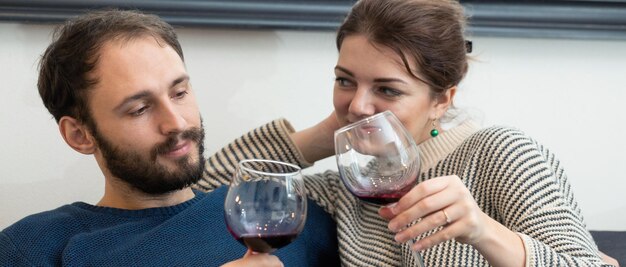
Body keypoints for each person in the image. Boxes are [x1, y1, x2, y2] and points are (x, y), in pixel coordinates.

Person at [197, 0, 619, 266]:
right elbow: (200, 193)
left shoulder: (503, 155)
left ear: (442, 99)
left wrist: (484, 232)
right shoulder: (349, 185)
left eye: (387, 89)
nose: (359, 103)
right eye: (345, 80)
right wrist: (330, 132)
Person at [0, 10, 339, 266]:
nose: (176, 123)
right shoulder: (34, 247)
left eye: (179, 93)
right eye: (139, 109)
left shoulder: (282, 216)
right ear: (79, 135)